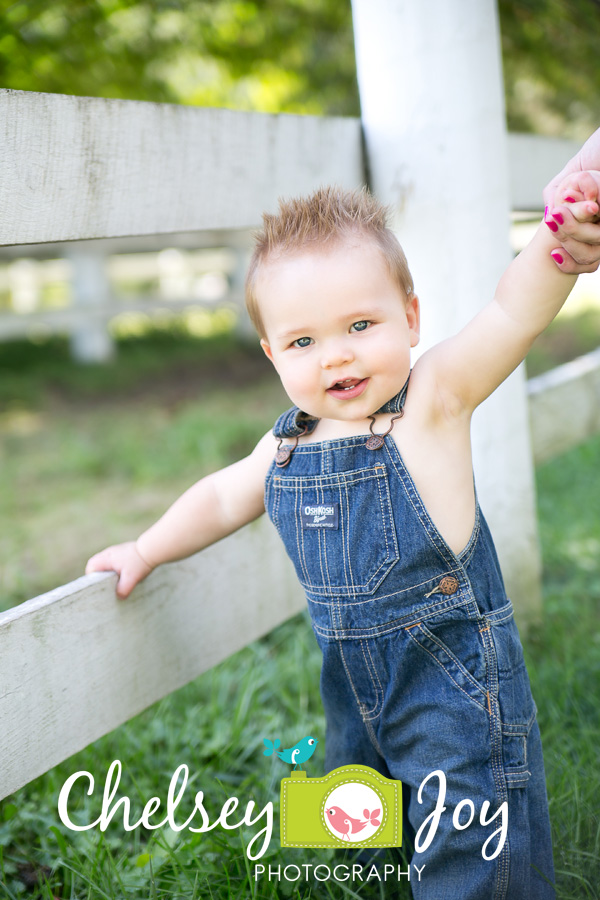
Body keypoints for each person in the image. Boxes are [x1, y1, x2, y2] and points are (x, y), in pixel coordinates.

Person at [86, 146, 600, 898]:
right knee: (354, 809)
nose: (337, 357)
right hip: (348, 677)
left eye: (361, 324)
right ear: (272, 354)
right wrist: (145, 548)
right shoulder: (288, 441)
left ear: (411, 317)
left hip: (451, 684)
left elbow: (511, 312)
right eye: (303, 342)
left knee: (469, 836)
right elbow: (224, 495)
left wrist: (560, 245)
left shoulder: (433, 401)